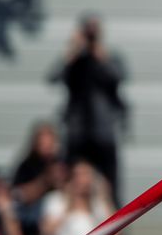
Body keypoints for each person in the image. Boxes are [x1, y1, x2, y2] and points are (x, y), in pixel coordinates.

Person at [48, 15, 126, 199]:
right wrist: (72, 50)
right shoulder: (74, 59)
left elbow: (119, 77)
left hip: (103, 131)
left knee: (109, 182)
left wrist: (101, 55)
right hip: (77, 130)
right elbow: (52, 77)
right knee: (73, 177)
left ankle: (115, 221)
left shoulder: (107, 57)